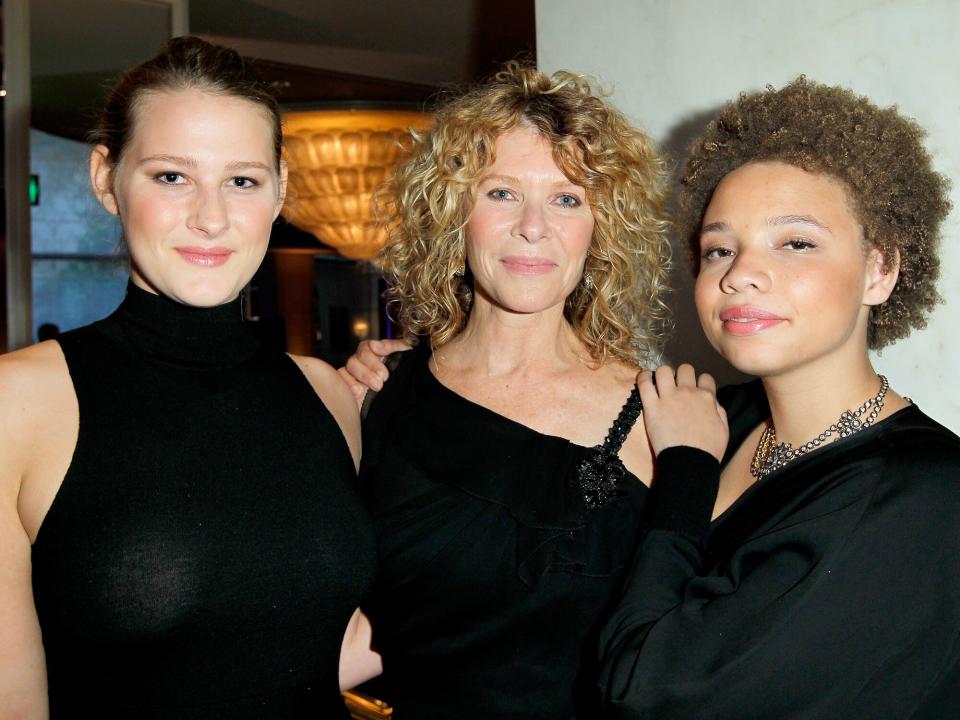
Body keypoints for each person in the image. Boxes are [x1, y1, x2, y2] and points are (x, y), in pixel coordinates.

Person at [0, 37, 375, 718]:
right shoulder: (15, 405)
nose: (211, 216)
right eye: (171, 176)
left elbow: (320, 644)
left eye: (243, 180)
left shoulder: (326, 393)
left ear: (280, 189)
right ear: (105, 177)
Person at [595, 77, 960, 719]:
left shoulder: (919, 494)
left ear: (880, 270)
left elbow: (643, 694)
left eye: (796, 242)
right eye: (719, 249)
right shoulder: (716, 415)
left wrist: (683, 473)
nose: (740, 274)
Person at [342, 62, 671, 718]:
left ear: (601, 227)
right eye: (501, 193)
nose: (532, 225)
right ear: (453, 211)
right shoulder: (374, 396)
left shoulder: (665, 416)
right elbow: (357, 633)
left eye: (567, 198)